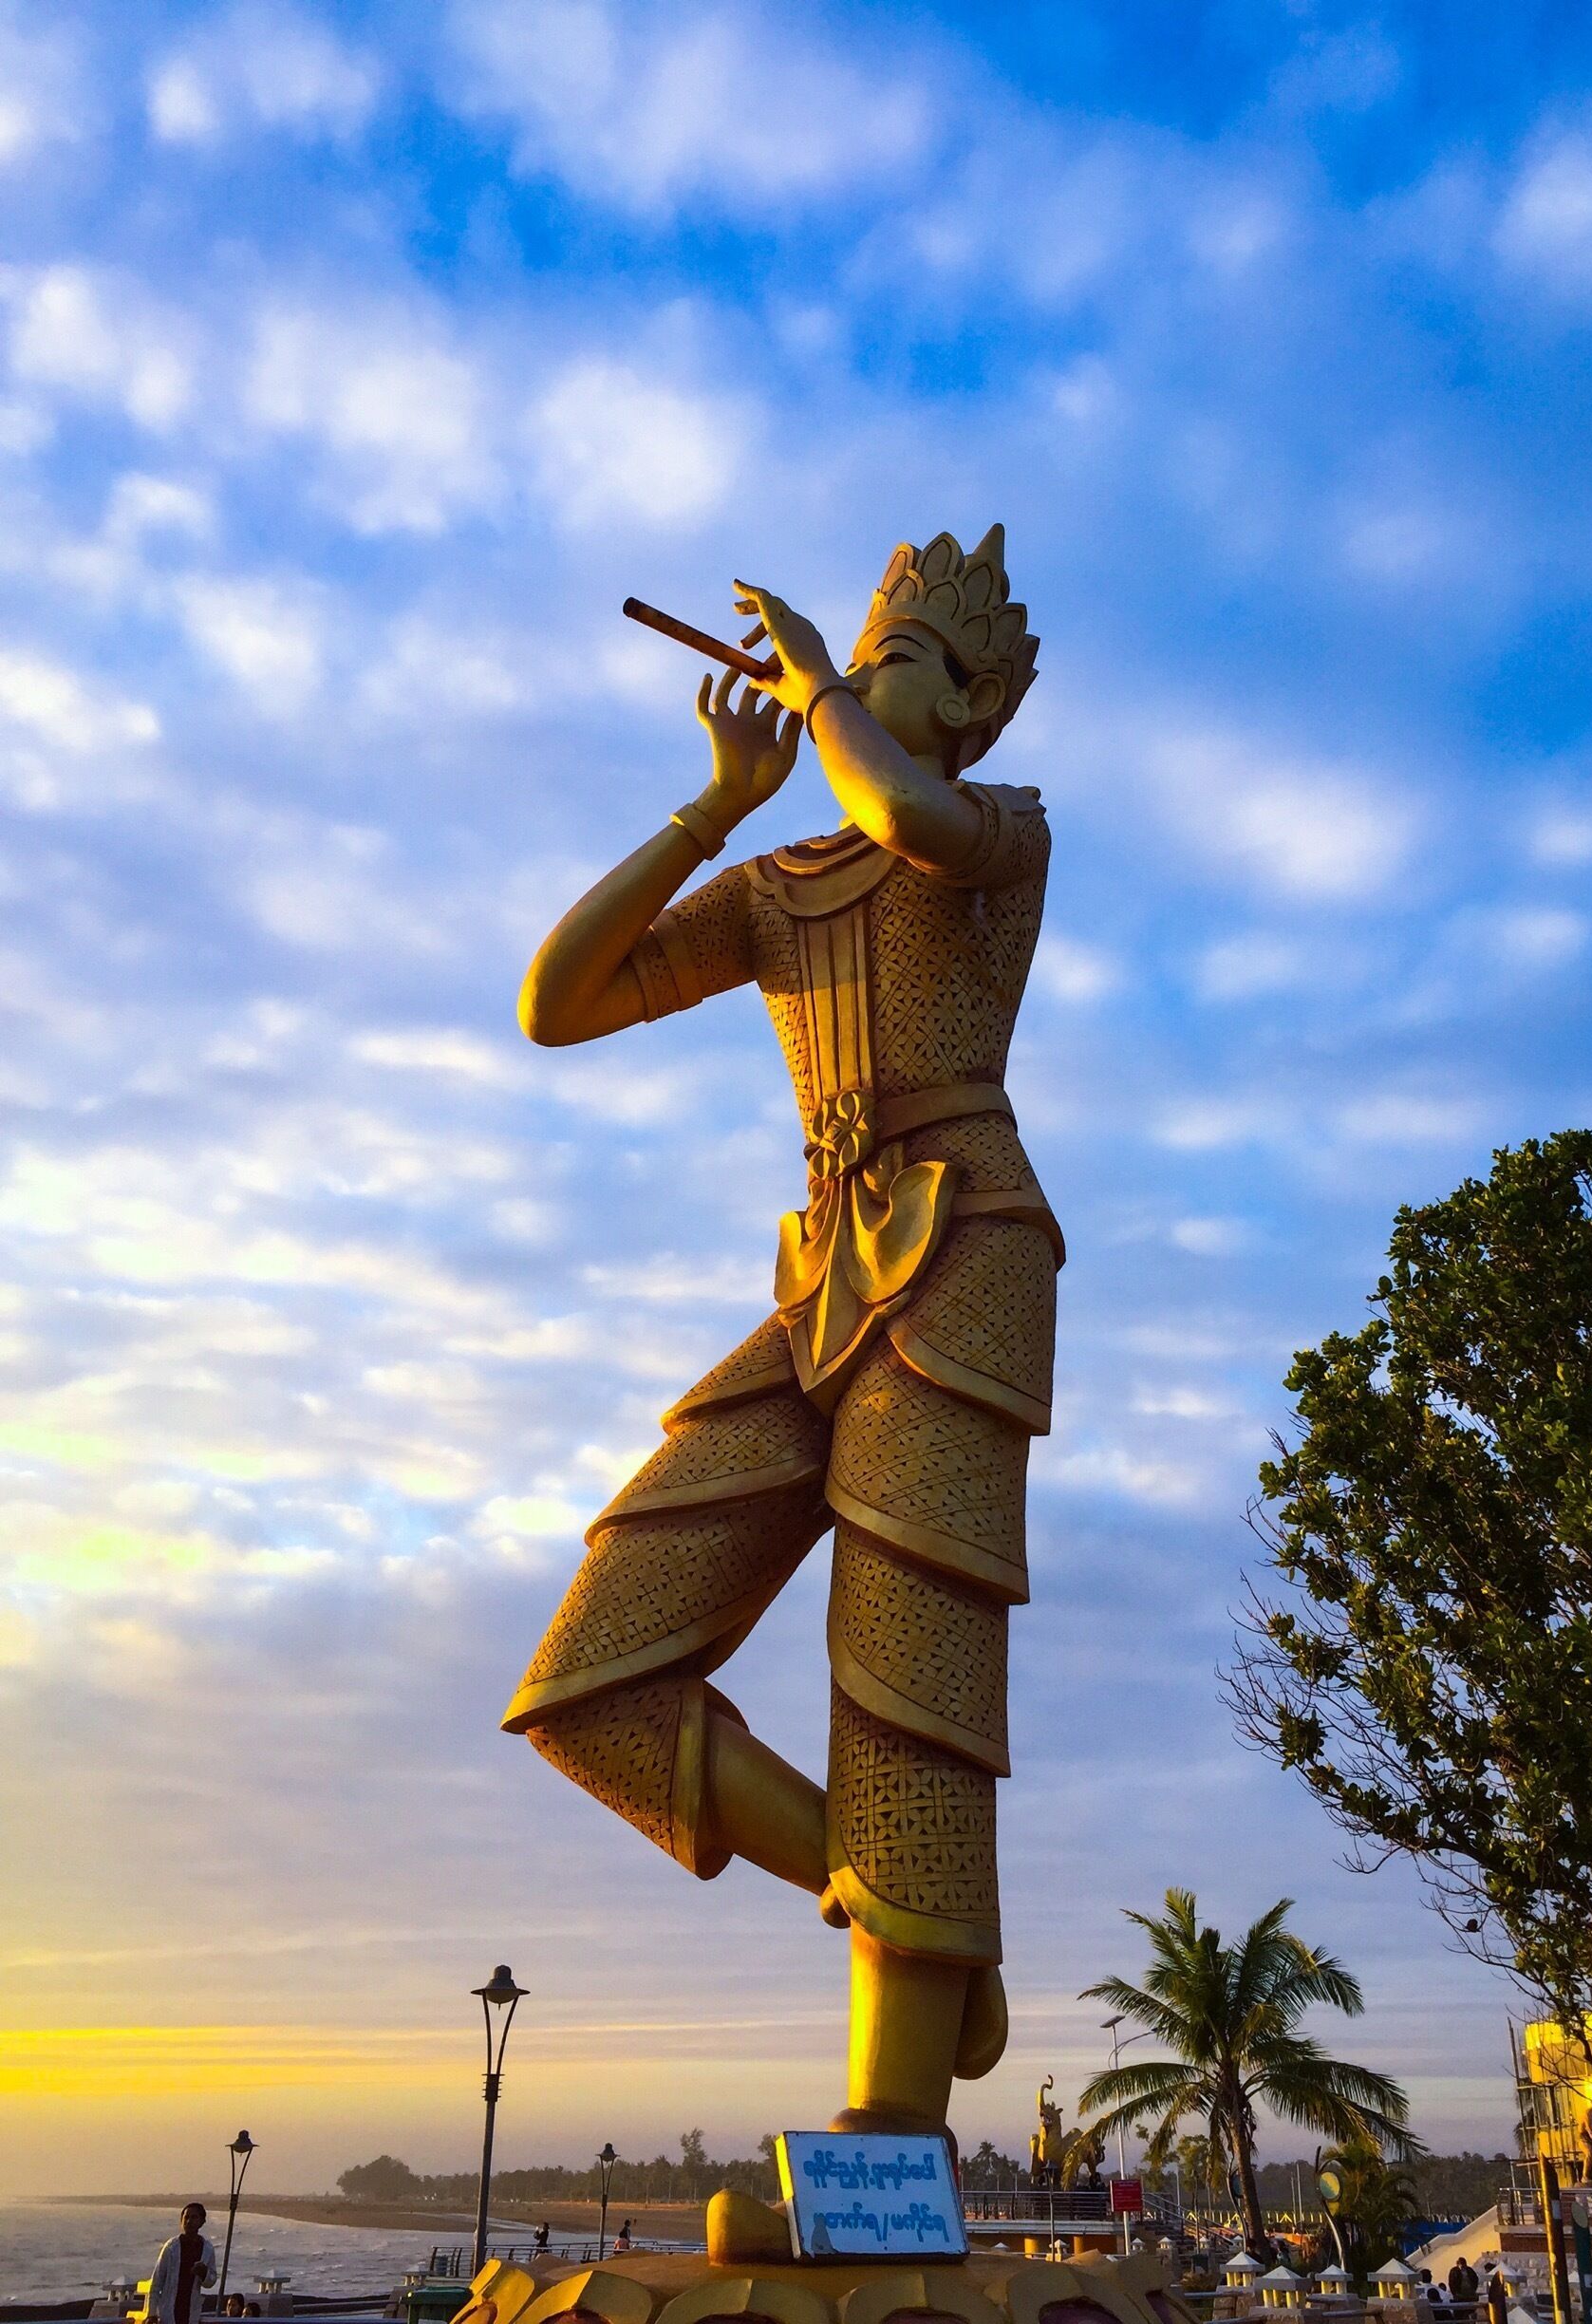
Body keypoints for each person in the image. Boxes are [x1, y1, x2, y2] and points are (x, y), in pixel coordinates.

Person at [503, 530, 1054, 2137]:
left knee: (908, 1666)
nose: (872, 675)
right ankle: (920, 1915)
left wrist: (821, 685)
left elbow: (901, 808)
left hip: (962, 1248)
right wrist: (712, 808)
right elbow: (557, 998)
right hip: (819, 1275)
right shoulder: (777, 892)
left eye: (910, 662)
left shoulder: (994, 834)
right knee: (590, 1682)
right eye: (870, 651)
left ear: (973, 710)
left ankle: (893, 2127)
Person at [145, 2204, 215, 2324]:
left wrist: (204, 2273)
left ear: (202, 2221)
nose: (189, 2221)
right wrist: (151, 2314)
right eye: (186, 2217)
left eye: (194, 2217)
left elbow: (211, 2281)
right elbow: (157, 2282)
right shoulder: (171, 2247)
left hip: (191, 2310)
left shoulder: (207, 2248)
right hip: (169, 2311)